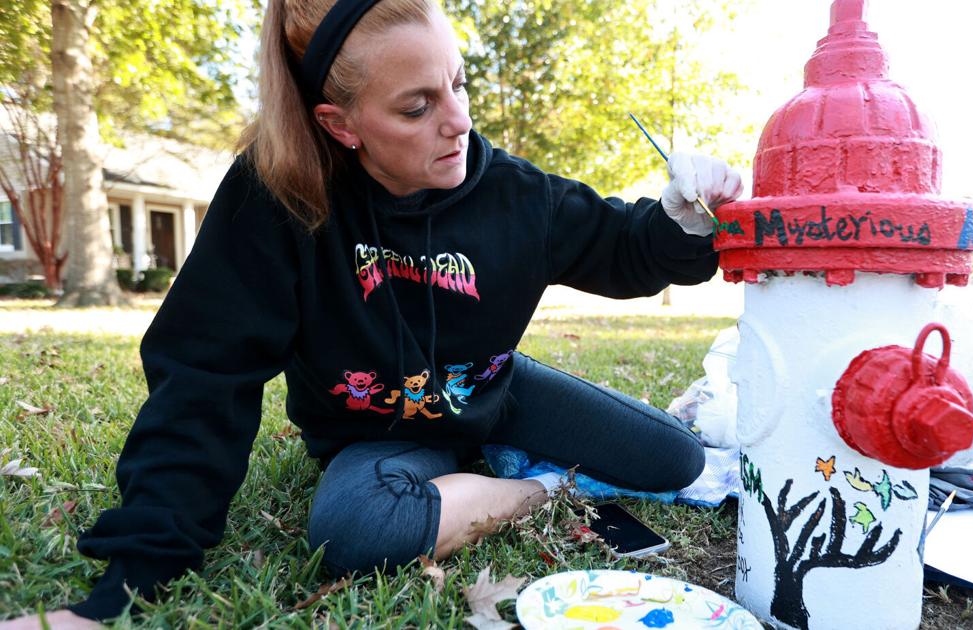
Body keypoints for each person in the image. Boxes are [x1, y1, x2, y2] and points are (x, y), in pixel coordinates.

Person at [0, 0, 742, 626]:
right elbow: (204, 376)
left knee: (674, 460)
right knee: (358, 527)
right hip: (377, 433)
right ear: (341, 123)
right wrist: (126, 584)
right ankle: (533, 486)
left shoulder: (514, 194)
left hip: (490, 393)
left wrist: (681, 220)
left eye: (457, 84)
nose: (458, 121)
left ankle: (497, 456)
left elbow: (626, 248)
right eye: (417, 106)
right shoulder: (278, 200)